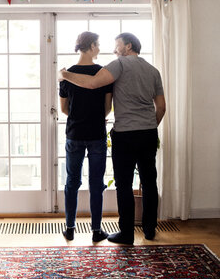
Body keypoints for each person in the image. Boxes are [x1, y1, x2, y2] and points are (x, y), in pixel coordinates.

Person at [58, 32, 166, 244]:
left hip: (122, 134)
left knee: (122, 184)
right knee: (149, 181)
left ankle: (124, 233)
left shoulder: (119, 65)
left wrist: (64, 74)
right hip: (146, 133)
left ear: (128, 46)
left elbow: (89, 86)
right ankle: (149, 229)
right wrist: (150, 126)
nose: (114, 49)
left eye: (117, 45)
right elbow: (161, 107)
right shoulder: (154, 71)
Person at [59, 31, 113, 242]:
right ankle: (96, 230)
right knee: (96, 183)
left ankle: (70, 228)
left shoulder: (67, 74)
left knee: (72, 182)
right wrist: (96, 116)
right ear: (91, 46)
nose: (99, 49)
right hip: (97, 134)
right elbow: (107, 108)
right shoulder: (104, 74)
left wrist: (78, 115)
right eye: (98, 45)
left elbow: (64, 109)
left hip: (74, 134)